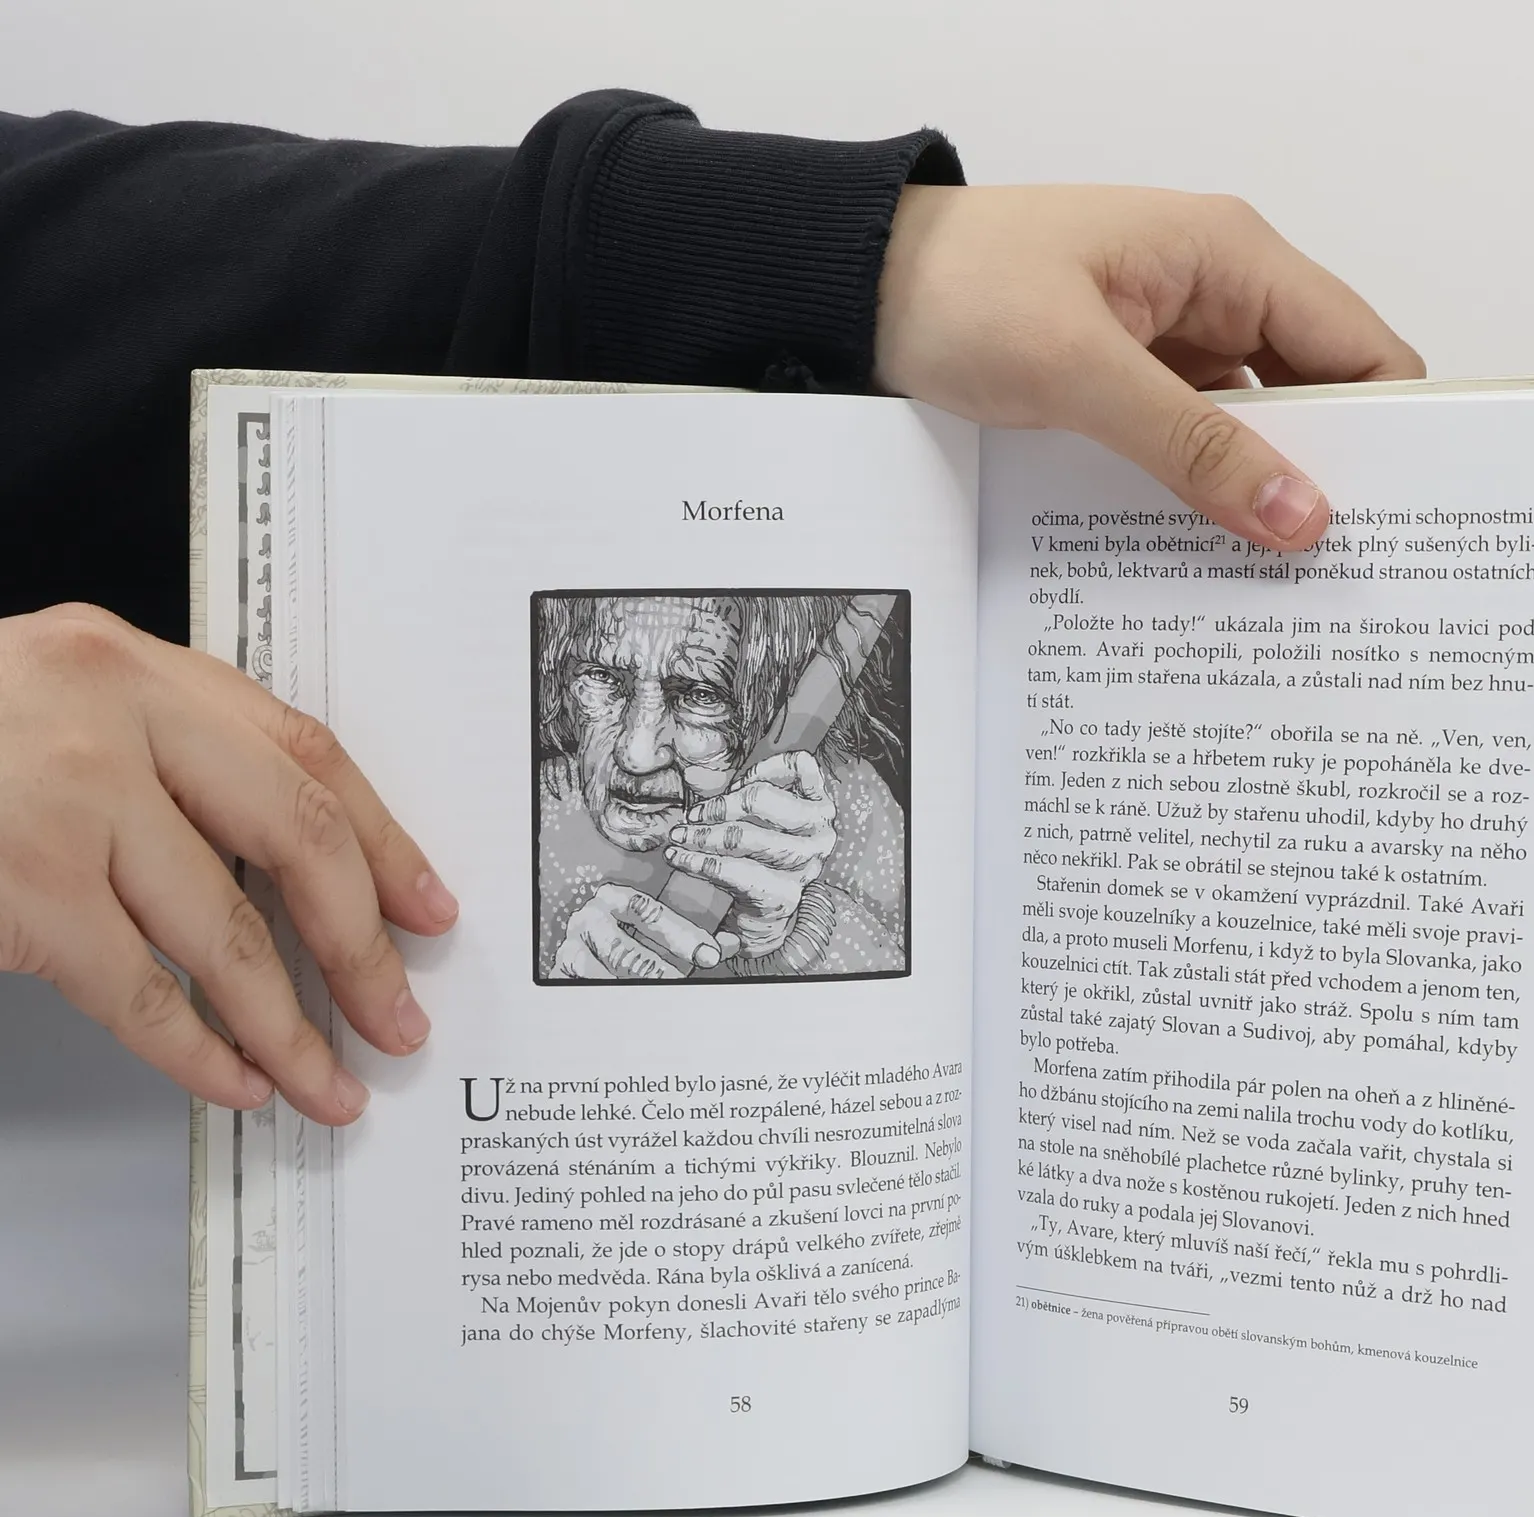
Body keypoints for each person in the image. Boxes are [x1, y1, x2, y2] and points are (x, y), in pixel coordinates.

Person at [0, 91, 1421, 1124]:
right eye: (596, 686)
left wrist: (842, 262)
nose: (631, 752)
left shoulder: (853, 820)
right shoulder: (493, 801)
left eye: (691, 696)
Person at [535, 592, 906, 981]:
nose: (636, 756)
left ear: (772, 703)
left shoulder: (861, 815)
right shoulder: (531, 818)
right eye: (603, 677)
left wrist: (787, 940)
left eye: (702, 695)